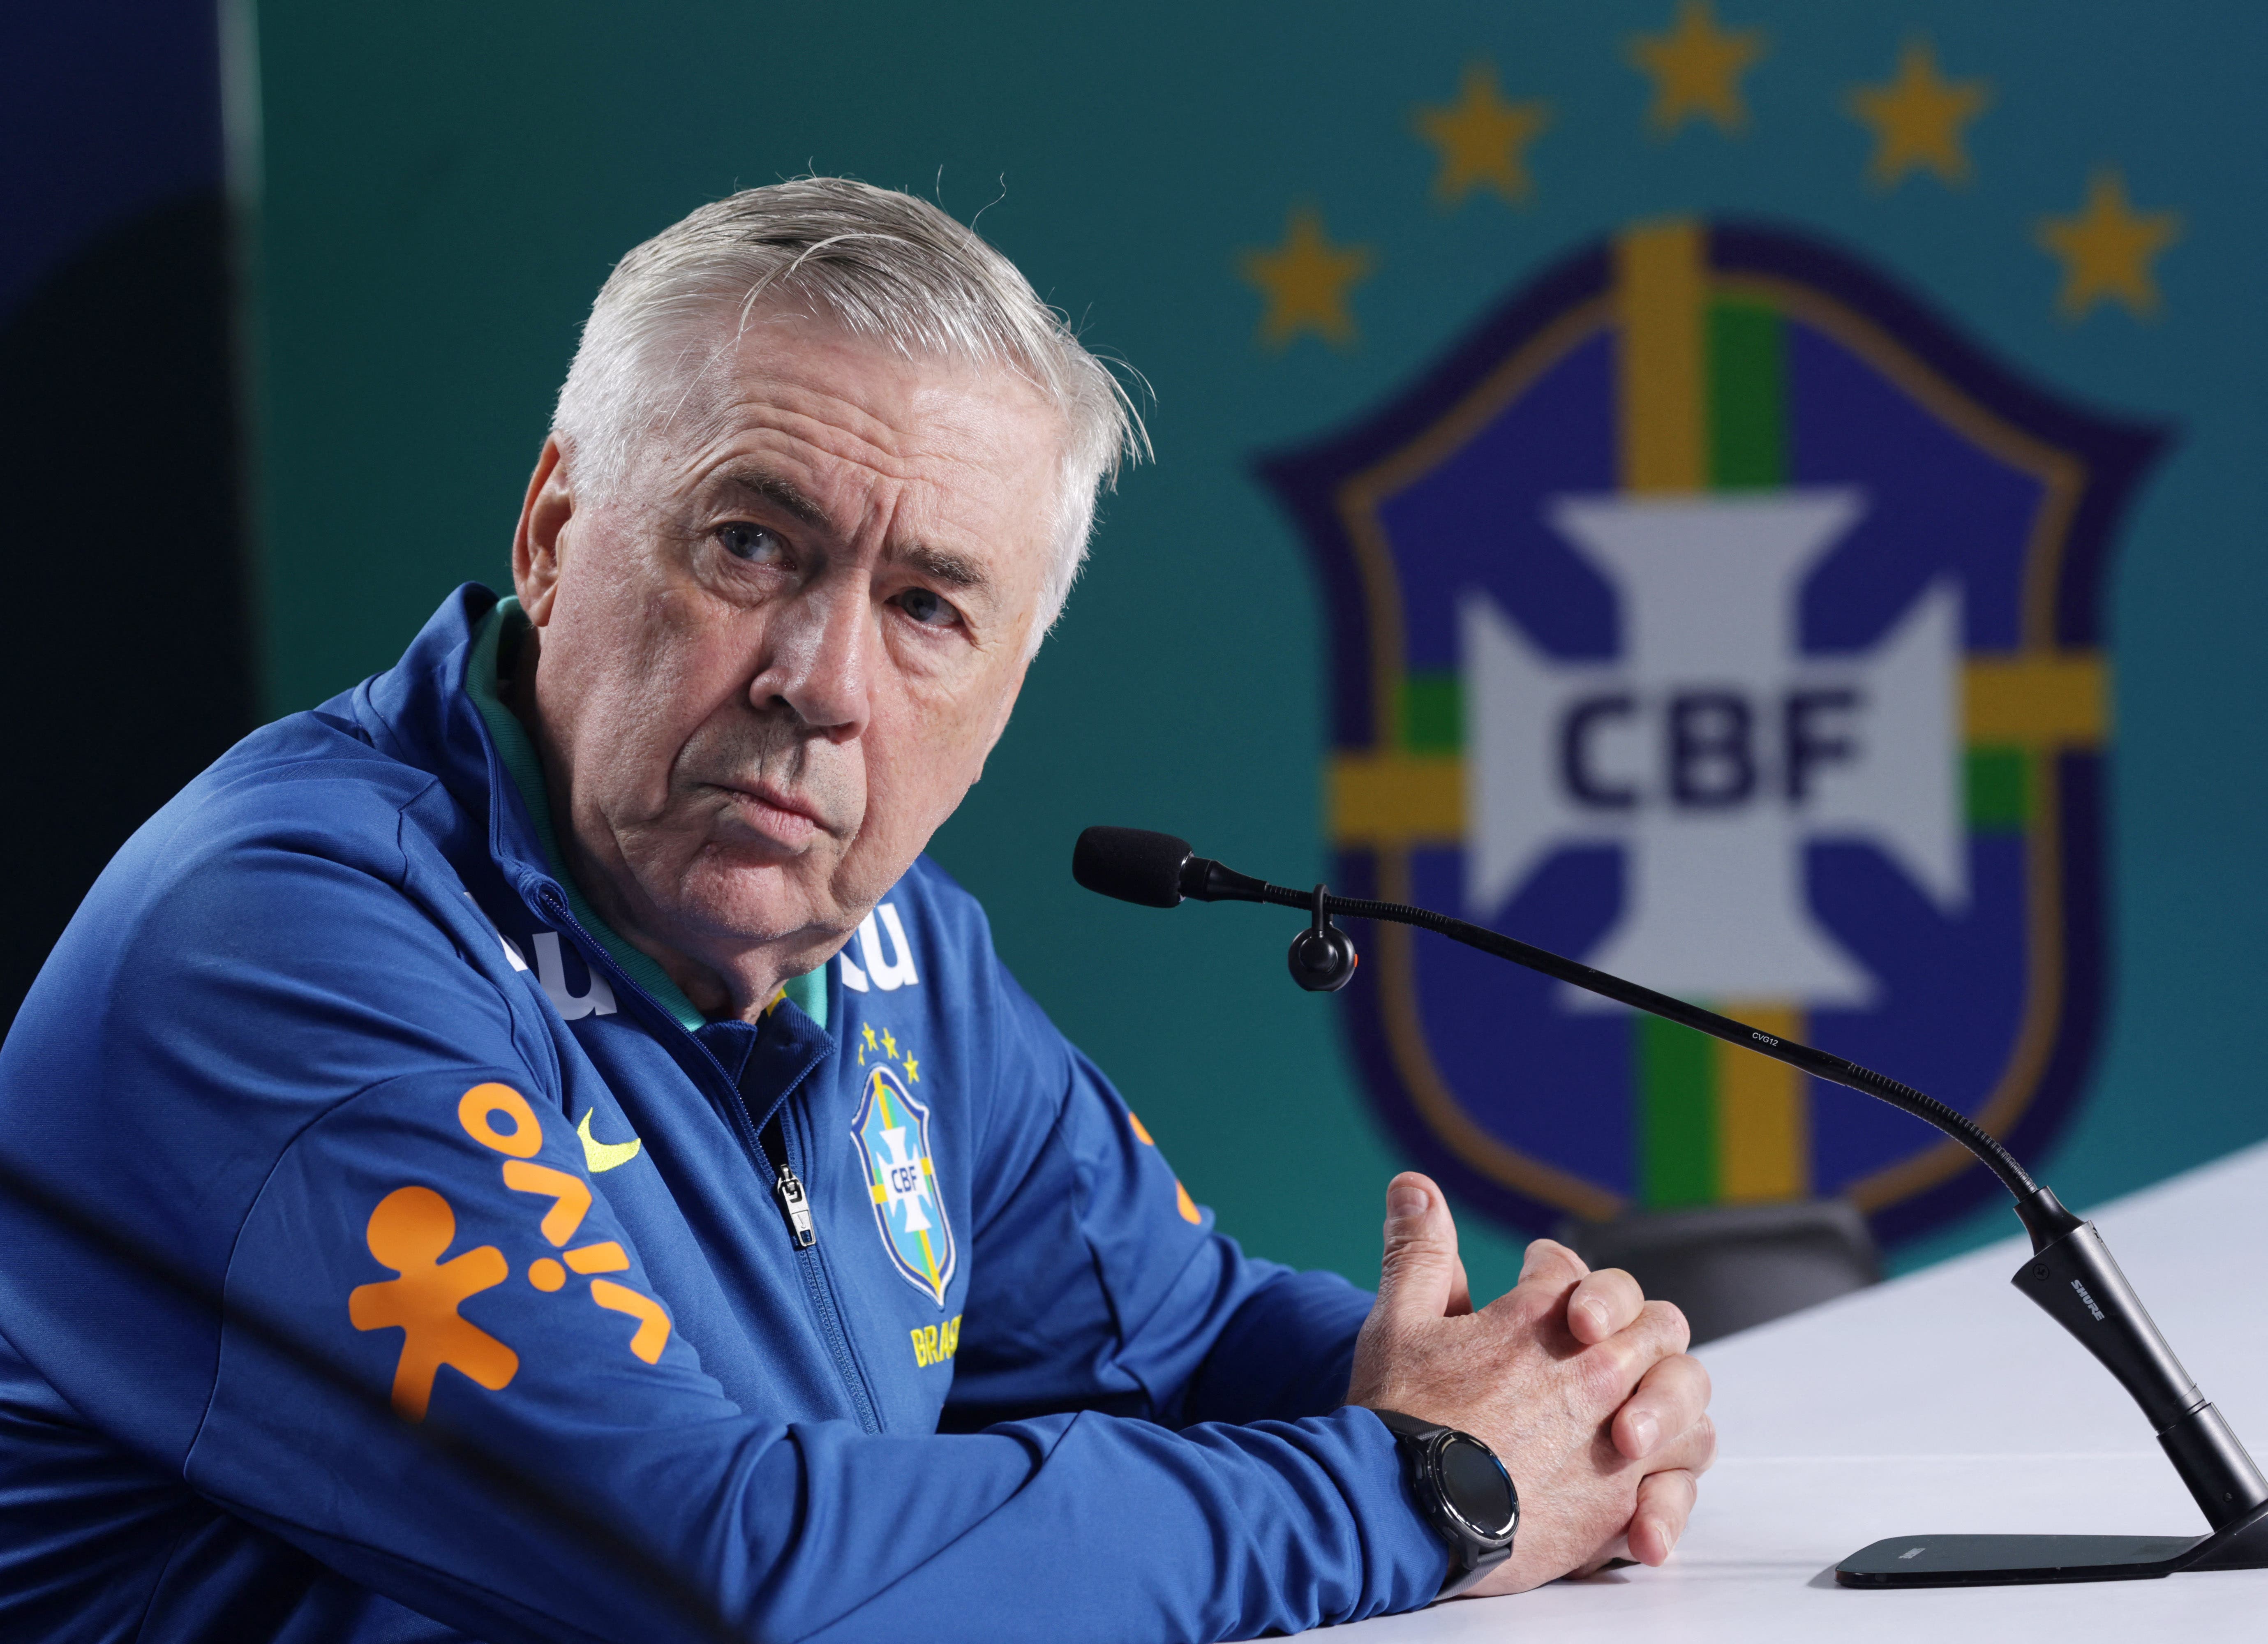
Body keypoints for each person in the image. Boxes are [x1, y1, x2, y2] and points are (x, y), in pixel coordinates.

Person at [0, 178, 1713, 1643]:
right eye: (752, 544)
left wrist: (1548, 1396)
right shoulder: (280, 943)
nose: (822, 683)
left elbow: (1182, 1341)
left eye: (928, 608)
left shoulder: (889, 947)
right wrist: (1421, 1488)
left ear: (1009, 688)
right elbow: (717, 1572)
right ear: (553, 534)